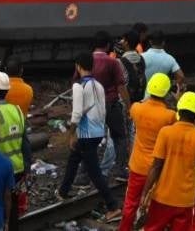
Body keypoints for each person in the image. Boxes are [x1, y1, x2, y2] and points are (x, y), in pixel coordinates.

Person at [57, 53, 120, 221]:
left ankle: (113, 206)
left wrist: (71, 134)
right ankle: (63, 192)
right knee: (74, 159)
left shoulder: (78, 86)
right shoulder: (98, 85)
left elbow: (77, 113)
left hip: (85, 135)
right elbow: (102, 109)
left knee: (94, 172)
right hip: (97, 132)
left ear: (78, 66)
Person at [139, 92, 195, 230]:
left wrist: (144, 193)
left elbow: (156, 166)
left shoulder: (166, 132)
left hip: (163, 196)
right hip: (186, 199)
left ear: (179, 111)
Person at [119, 73, 177, 231]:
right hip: (158, 169)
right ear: (166, 92)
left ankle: (124, 228)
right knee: (154, 205)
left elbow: (133, 115)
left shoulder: (136, 108)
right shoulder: (170, 116)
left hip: (137, 165)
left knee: (130, 203)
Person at [0, 72, 29, 231]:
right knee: (13, 209)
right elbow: (25, 143)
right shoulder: (17, 111)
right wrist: (26, 168)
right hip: (17, 168)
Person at [91, 31, 130, 179]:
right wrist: (129, 105)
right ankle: (120, 169)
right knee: (119, 137)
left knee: (90, 139)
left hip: (92, 106)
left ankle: (85, 174)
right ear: (108, 45)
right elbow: (121, 86)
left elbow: (77, 83)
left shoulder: (86, 61)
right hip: (111, 103)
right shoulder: (112, 62)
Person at [142, 31, 185, 98]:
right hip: (162, 97)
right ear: (163, 42)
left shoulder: (142, 57)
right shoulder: (170, 59)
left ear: (150, 42)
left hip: (144, 97)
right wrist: (169, 85)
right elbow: (181, 76)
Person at [117, 30, 147, 105]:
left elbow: (120, 85)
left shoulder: (120, 62)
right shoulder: (142, 59)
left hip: (125, 102)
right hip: (139, 101)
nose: (121, 41)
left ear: (126, 42)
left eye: (123, 39)